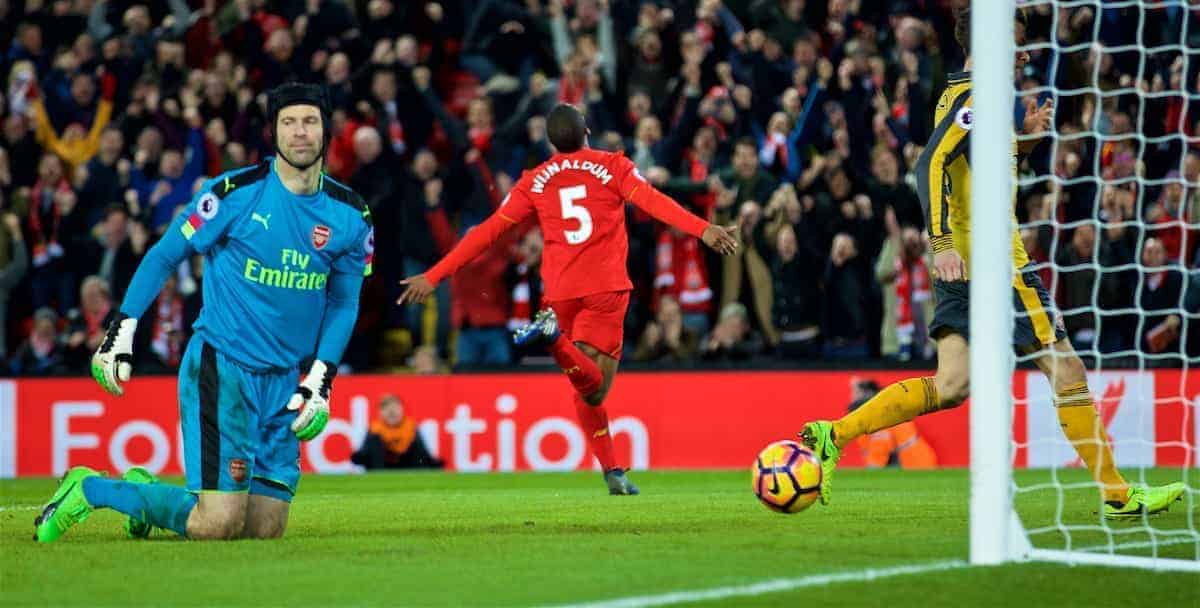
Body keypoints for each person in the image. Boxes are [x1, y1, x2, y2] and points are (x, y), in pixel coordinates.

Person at [799, 8, 1185, 518]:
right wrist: (941, 244)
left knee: (952, 384)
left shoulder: (966, 97)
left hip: (967, 266)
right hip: (995, 264)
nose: (1021, 52)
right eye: (1014, 41)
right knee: (1065, 366)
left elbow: (974, 171)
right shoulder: (974, 98)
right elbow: (929, 163)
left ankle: (834, 434)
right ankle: (1116, 494)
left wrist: (1025, 140)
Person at [34, 83, 374, 543]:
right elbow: (163, 255)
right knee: (217, 525)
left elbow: (344, 301)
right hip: (224, 367)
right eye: (289, 122)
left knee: (263, 530)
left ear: (327, 130)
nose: (299, 133)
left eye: (310, 121)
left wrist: (321, 377)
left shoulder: (352, 215)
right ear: (273, 131)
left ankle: (145, 494)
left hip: (285, 380)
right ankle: (90, 488)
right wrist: (122, 328)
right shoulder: (233, 194)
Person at [399, 104, 739, 495]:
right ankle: (554, 341)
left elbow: (487, 232)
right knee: (595, 390)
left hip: (560, 294)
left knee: (584, 390)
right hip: (605, 290)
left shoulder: (535, 179)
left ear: (550, 143)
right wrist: (702, 229)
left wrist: (434, 274)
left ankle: (613, 472)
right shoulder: (613, 166)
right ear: (587, 132)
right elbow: (652, 201)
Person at [351, 394, 443, 470]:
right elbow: (364, 453)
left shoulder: (411, 427)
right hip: (383, 466)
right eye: (386, 408)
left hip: (407, 466)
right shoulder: (375, 429)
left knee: (417, 450)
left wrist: (433, 462)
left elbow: (423, 453)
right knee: (374, 442)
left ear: (402, 410)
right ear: (380, 412)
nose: (391, 411)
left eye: (395, 407)